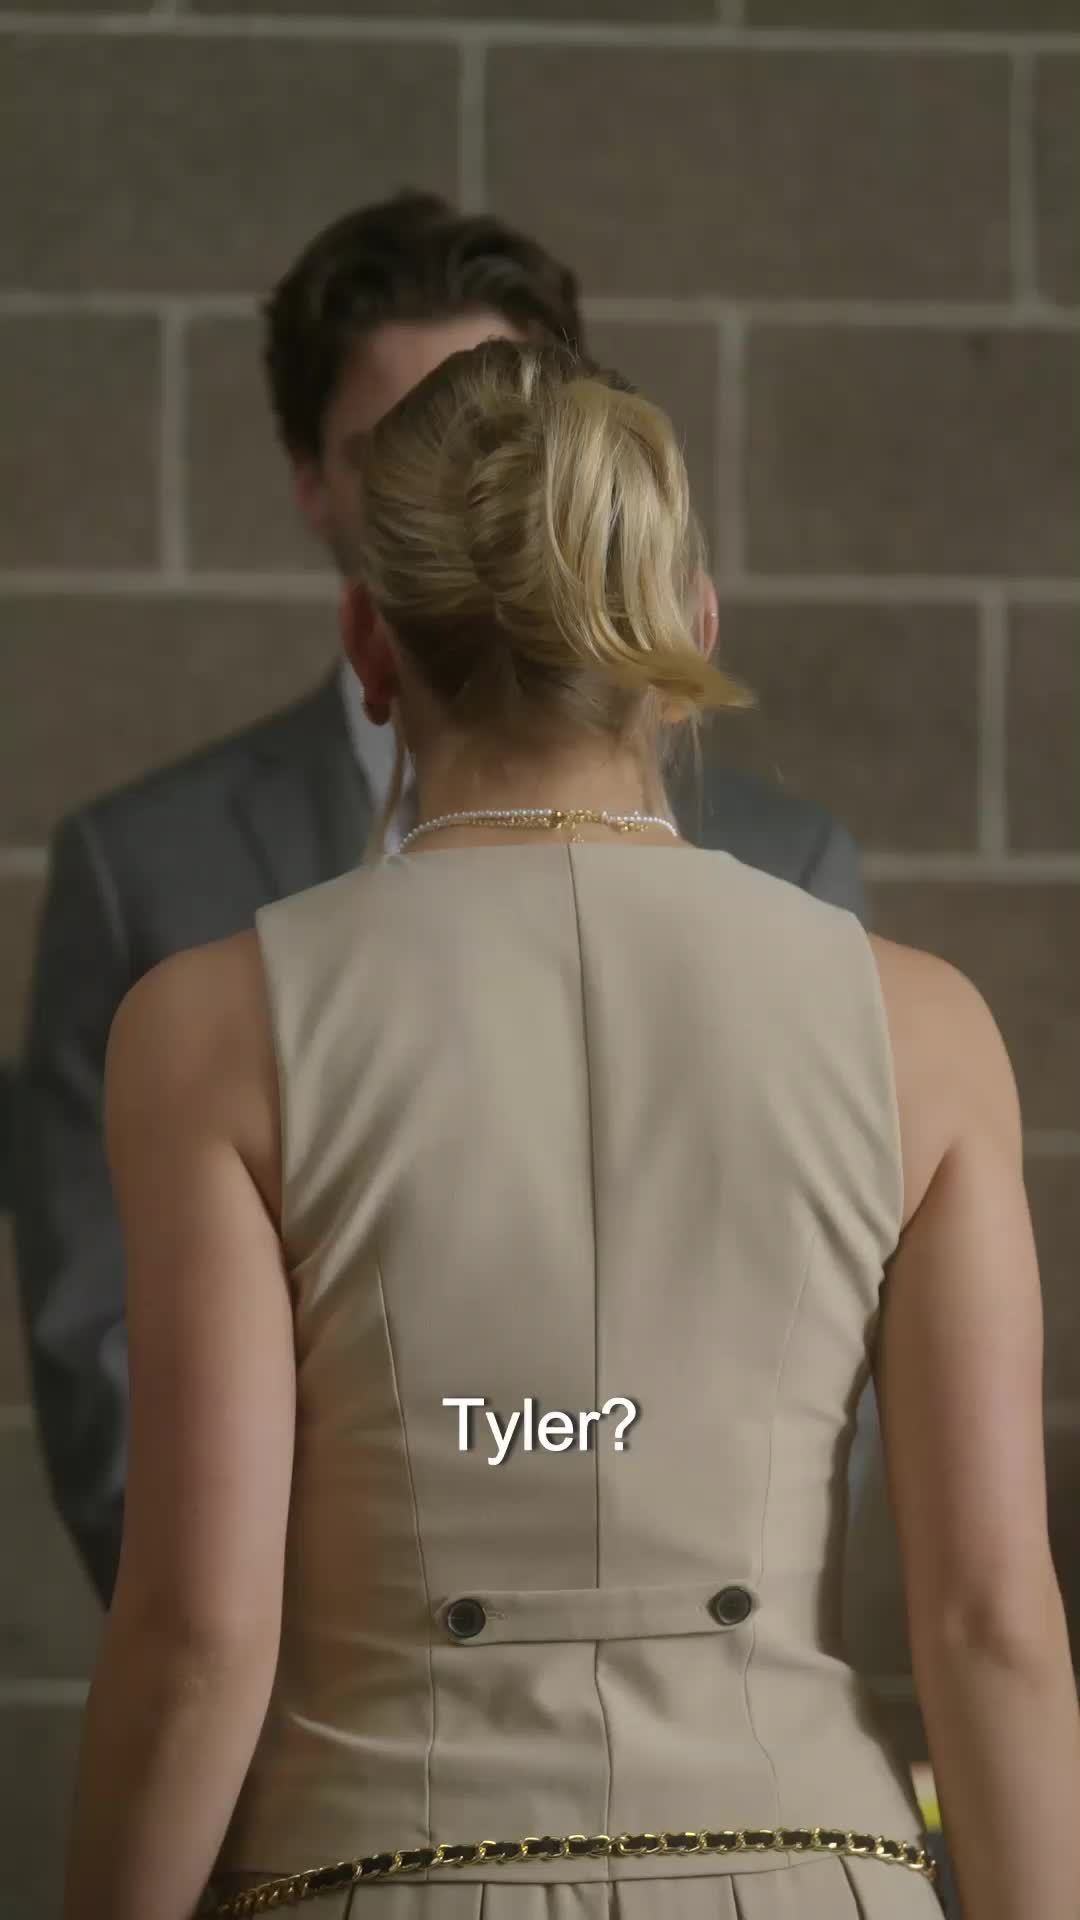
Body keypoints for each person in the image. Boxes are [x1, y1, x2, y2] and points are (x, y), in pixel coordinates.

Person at [62, 341, 1078, 1920]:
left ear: (371, 643)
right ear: (690, 632)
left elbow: (200, 1634)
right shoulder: (926, 1029)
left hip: (382, 1870)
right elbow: (992, 1621)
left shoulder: (205, 1033)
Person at [13, 192, 865, 1611]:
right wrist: (287, 1648)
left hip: (699, 1654)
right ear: (315, 487)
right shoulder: (140, 870)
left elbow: (835, 1364)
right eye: (396, 449)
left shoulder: (799, 877)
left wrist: (709, 1625)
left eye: (500, 438)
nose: (467, 496)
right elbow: (99, 1339)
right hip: (305, 1677)